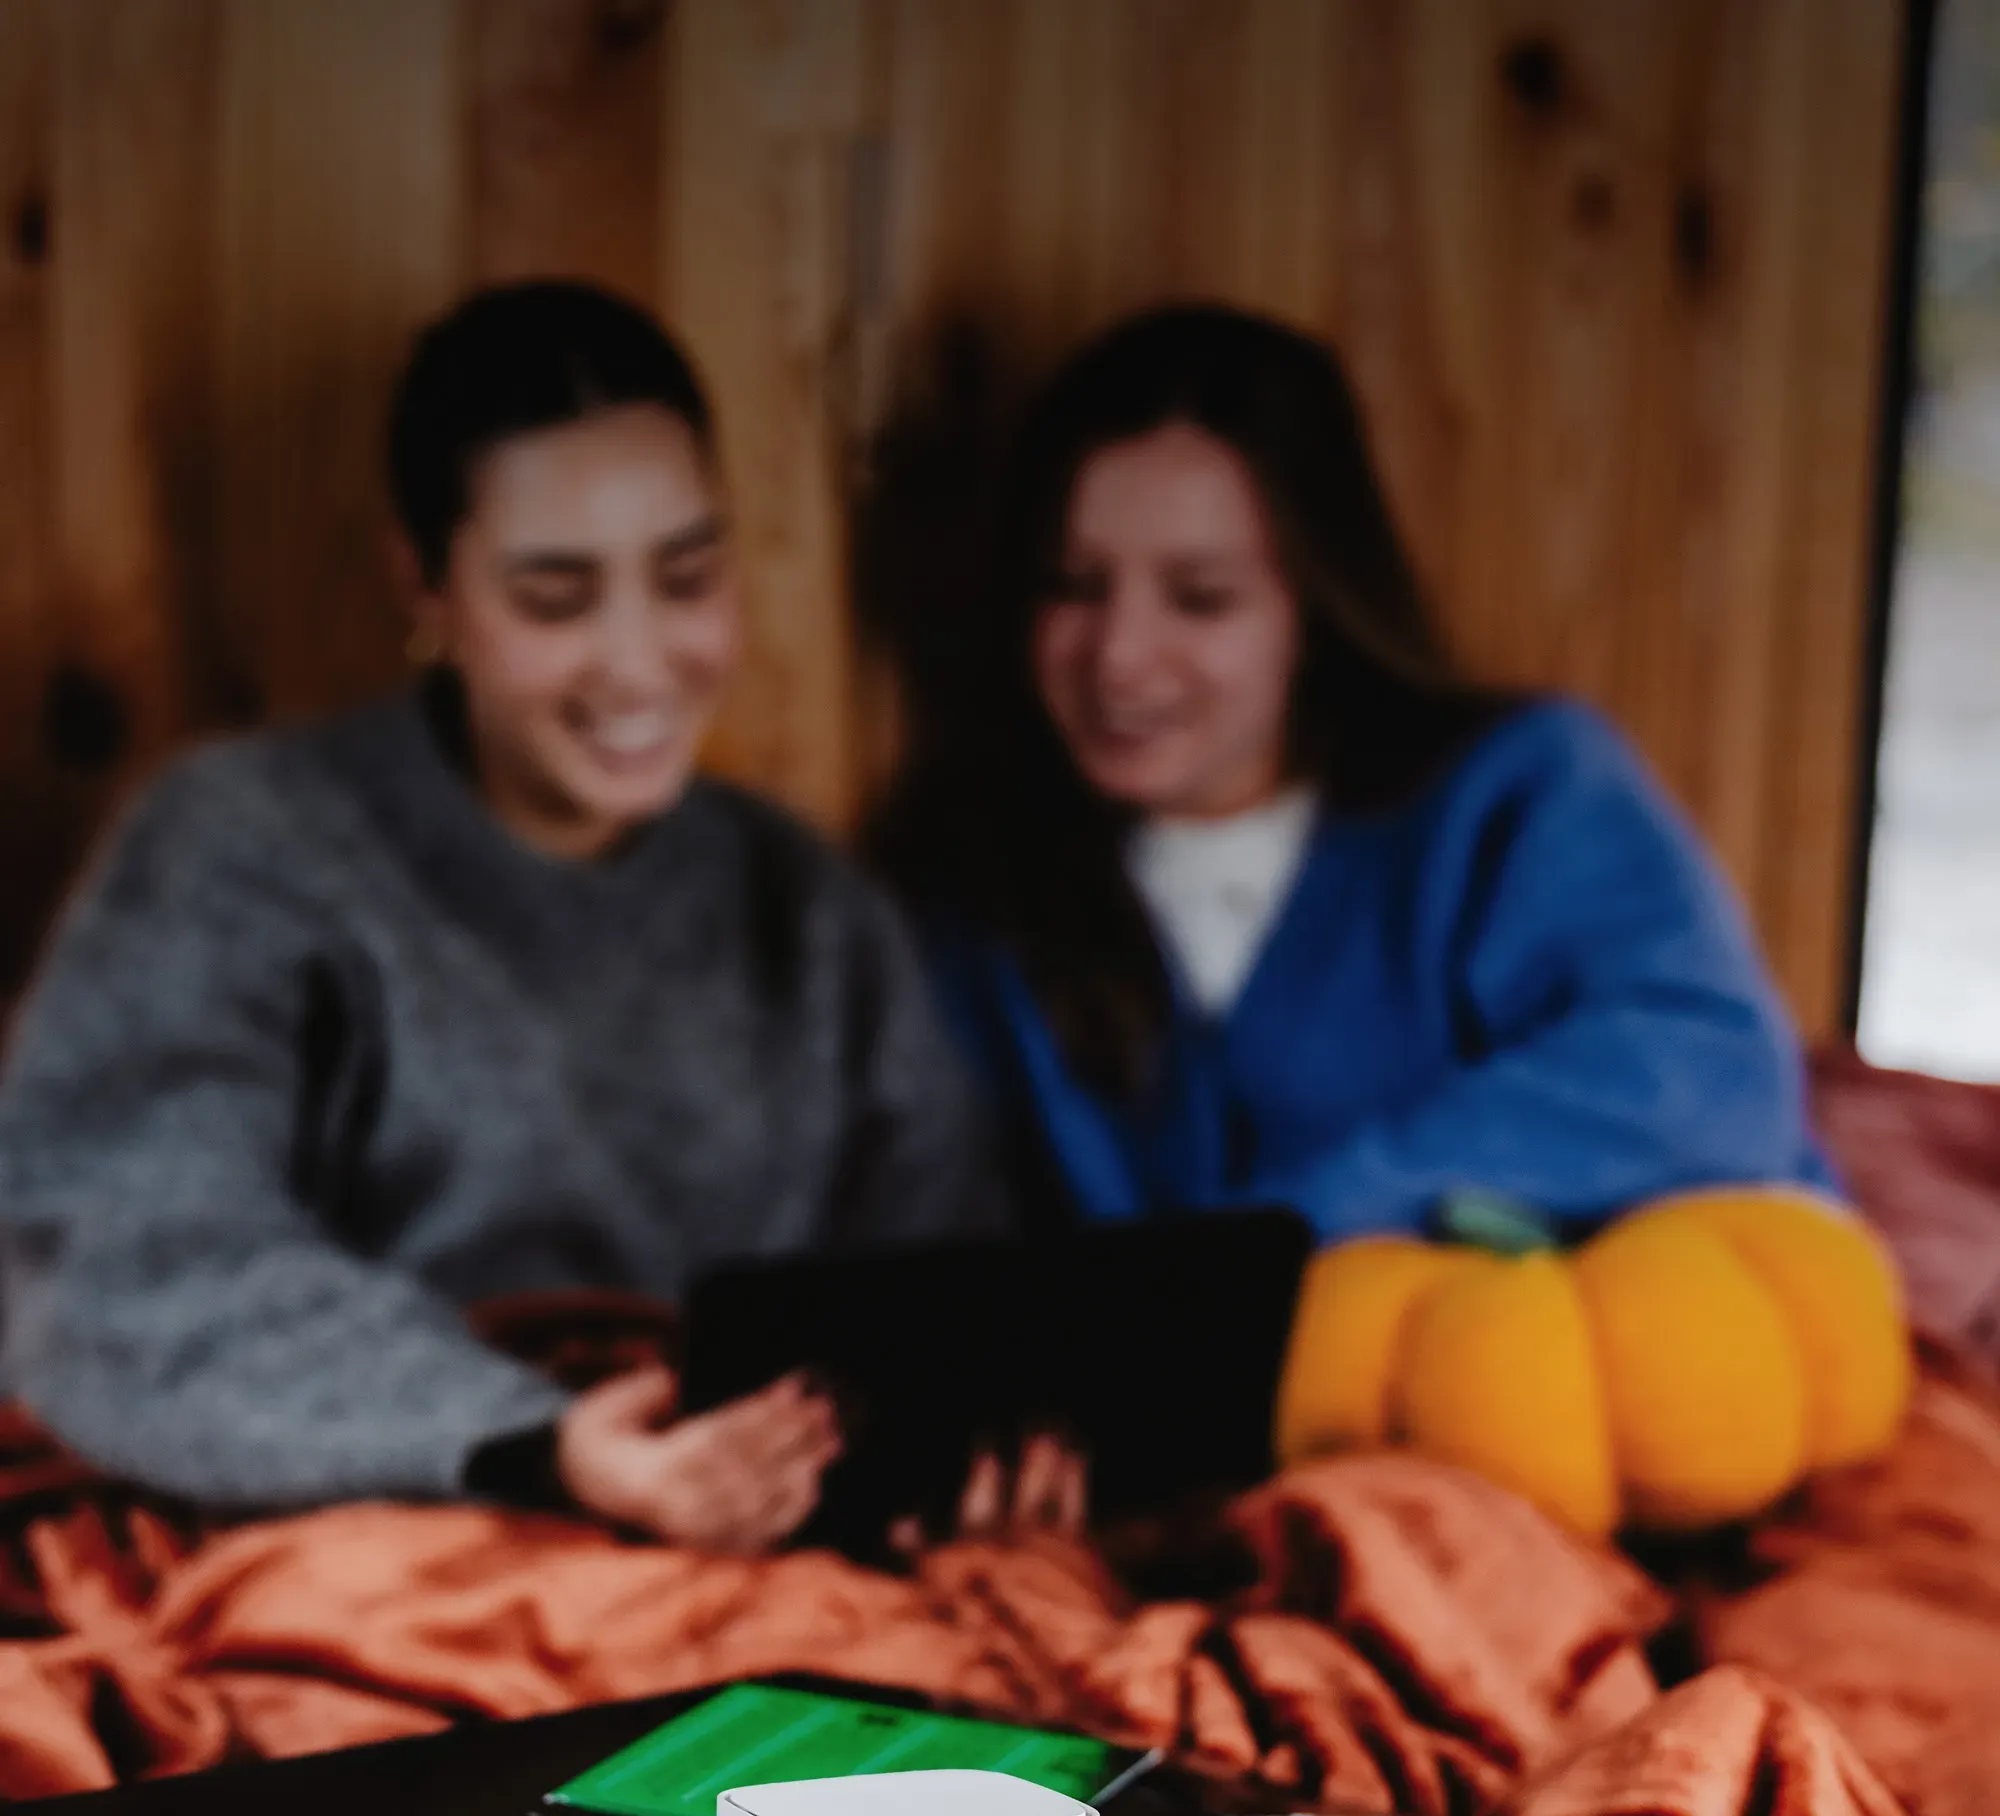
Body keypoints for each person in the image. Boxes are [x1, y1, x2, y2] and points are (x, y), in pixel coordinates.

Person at [0, 280, 1000, 1550]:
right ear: (425, 586)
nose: (637, 662)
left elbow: (940, 1292)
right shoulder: (243, 847)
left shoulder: (804, 906)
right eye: (556, 598)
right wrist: (542, 1443)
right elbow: (120, 1260)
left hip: (756, 1538)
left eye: (686, 577)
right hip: (386, 1522)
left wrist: (965, 1456)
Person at [876, 302, 1831, 1240]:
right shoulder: (968, 897)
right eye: (1072, 589)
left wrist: (1299, 1227)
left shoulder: (1516, 789)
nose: (1119, 654)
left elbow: (1713, 1077)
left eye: (1200, 599)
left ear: (1315, 606)